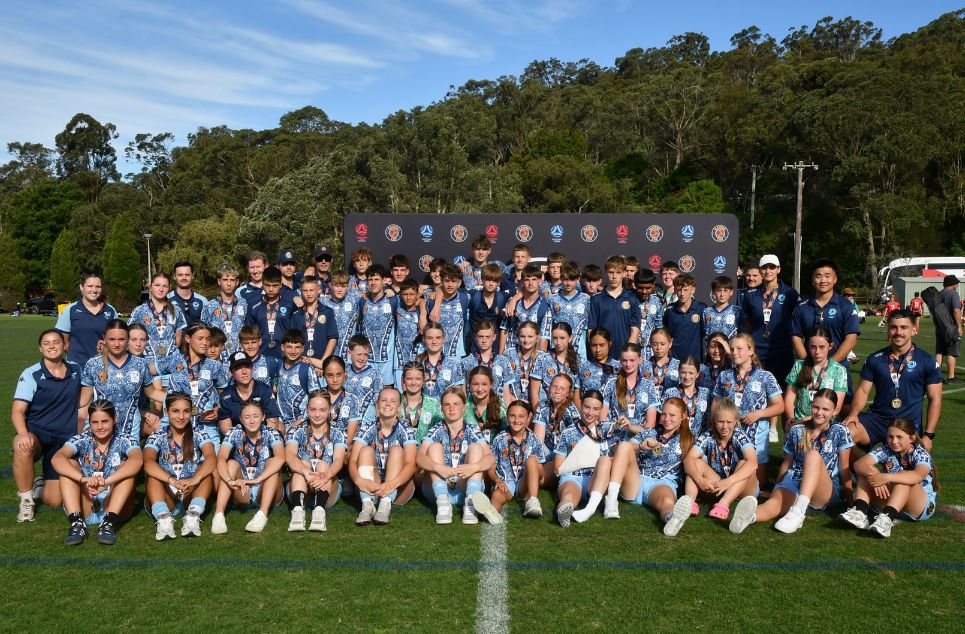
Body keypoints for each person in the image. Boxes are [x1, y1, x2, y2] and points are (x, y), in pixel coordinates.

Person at [729, 389, 853, 535]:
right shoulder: (796, 430)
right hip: (794, 480)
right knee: (774, 503)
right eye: (816, 407)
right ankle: (749, 517)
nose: (819, 412)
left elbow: (844, 467)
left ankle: (799, 511)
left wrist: (852, 503)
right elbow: (787, 464)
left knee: (812, 455)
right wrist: (776, 488)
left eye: (825, 409)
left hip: (823, 489)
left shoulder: (840, 430)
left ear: (835, 411)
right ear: (811, 405)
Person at [844, 309, 942, 452]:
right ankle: (861, 472)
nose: (898, 332)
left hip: (907, 425)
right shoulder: (875, 359)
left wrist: (928, 435)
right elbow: (863, 391)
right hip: (878, 419)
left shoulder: (926, 361)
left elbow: (935, 399)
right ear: (888, 330)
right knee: (843, 434)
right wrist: (853, 414)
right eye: (894, 327)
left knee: (905, 471)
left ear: (914, 330)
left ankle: (867, 471)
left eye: (904, 327)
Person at [593, 398, 694, 535]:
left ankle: (672, 519)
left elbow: (696, 464)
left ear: (683, 417)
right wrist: (641, 447)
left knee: (667, 502)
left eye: (672, 415)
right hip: (636, 480)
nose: (666, 419)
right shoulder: (650, 432)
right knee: (625, 445)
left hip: (662, 483)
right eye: (663, 414)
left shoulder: (688, 439)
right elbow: (623, 451)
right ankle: (611, 500)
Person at [12, 329, 83, 522]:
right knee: (22, 447)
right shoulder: (31, 374)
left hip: (63, 440)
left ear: (65, 345)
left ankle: (38, 484)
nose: (52, 346)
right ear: (40, 348)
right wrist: (22, 433)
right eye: (46, 343)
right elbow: (18, 410)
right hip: (38, 434)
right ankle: (26, 500)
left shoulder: (76, 370)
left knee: (54, 500)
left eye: (56, 342)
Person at [52, 399, 142, 545]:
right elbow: (57, 459)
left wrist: (107, 482)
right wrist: (84, 479)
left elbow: (137, 461)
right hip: (86, 500)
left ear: (114, 420)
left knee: (128, 467)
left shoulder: (126, 440)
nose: (100, 427)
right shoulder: (80, 439)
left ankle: (108, 523)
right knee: (69, 464)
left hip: (115, 502)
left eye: (105, 421)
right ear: (90, 422)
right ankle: (77, 523)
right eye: (95, 422)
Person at [838, 417, 938, 538]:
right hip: (893, 501)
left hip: (919, 506)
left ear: (911, 438)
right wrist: (876, 476)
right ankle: (859, 512)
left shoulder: (920, 453)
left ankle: (887, 519)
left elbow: (917, 475)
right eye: (890, 437)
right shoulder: (886, 450)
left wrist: (885, 477)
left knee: (902, 477)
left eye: (899, 437)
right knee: (867, 472)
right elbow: (858, 464)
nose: (894, 441)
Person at [418, 387, 500, 526]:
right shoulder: (436, 429)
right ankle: (443, 503)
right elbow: (419, 457)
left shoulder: (472, 429)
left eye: (456, 404)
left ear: (464, 407)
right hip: (438, 488)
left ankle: (470, 503)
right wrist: (439, 468)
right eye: (446, 405)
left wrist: (474, 467)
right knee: (434, 447)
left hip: (464, 485)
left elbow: (490, 458)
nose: (451, 408)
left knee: (476, 447)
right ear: (441, 408)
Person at [712, 333, 784, 489]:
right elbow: (715, 405)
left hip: (756, 433)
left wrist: (758, 414)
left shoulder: (765, 376)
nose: (734, 352)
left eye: (740, 349)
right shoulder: (725, 375)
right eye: (732, 349)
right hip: (728, 433)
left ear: (751, 351)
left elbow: (780, 406)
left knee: (759, 483)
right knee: (729, 473)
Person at [143, 391, 217, 540]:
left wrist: (195, 479)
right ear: (166, 412)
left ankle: (193, 516)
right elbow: (148, 462)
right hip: (167, 491)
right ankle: (163, 520)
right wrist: (171, 480)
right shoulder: (157, 435)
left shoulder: (199, 432)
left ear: (191, 412)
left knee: (206, 471)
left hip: (191, 489)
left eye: (186, 411)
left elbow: (211, 458)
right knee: (153, 476)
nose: (181, 417)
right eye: (175, 411)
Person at [743, 256, 800, 443]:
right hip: (758, 353)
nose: (768, 271)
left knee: (784, 398)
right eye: (764, 268)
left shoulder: (790, 294)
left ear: (778, 269)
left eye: (771, 267)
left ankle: (790, 443)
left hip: (782, 352)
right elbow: (749, 324)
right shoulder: (751, 295)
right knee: (756, 394)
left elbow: (796, 322)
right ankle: (754, 442)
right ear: (760, 270)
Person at [80, 320, 166, 438]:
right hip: (100, 428)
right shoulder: (93, 364)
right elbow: (83, 399)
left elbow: (151, 392)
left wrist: (182, 397)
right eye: (112, 339)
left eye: (121, 339)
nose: (116, 344)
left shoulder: (140, 364)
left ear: (127, 339)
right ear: (104, 339)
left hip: (130, 430)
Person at [680, 398, 758, 527]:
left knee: (745, 463)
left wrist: (728, 481)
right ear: (714, 421)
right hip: (717, 484)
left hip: (742, 487)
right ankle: (689, 502)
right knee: (696, 463)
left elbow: (753, 463)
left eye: (729, 422)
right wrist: (700, 480)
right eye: (720, 421)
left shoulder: (740, 436)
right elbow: (688, 459)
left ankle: (723, 504)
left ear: (735, 422)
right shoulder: (707, 436)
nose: (724, 426)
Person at [211, 399, 285, 534]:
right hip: (243, 489)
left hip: (265, 487)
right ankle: (219, 515)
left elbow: (281, 458)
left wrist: (258, 479)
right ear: (240, 418)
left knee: (272, 463)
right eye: (247, 417)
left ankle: (263, 514)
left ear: (263, 417)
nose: (251, 421)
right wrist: (229, 480)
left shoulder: (271, 432)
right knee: (231, 463)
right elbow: (221, 458)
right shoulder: (234, 432)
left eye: (256, 416)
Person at [350, 387, 418, 526]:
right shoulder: (367, 427)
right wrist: (358, 480)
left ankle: (384, 506)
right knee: (365, 450)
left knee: (397, 450)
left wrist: (391, 484)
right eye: (384, 400)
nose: (388, 404)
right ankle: (367, 506)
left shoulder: (406, 429)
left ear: (399, 407)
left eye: (393, 401)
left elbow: (411, 464)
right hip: (371, 485)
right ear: (377, 405)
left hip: (397, 486)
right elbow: (352, 460)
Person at [553, 390, 619, 527]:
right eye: (587, 407)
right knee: (568, 496)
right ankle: (563, 512)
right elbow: (557, 468)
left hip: (597, 480)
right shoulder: (568, 432)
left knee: (605, 460)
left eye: (596, 409)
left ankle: (589, 509)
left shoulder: (608, 429)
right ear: (581, 405)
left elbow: (620, 454)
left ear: (601, 410)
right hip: (572, 478)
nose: (590, 412)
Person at [155, 323, 230, 445]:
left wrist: (218, 409)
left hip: (206, 428)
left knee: (212, 462)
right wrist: (157, 396)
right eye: (200, 339)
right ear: (188, 338)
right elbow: (146, 371)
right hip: (174, 426)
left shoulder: (215, 366)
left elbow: (225, 396)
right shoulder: (174, 360)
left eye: (208, 339)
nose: (205, 343)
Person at [285, 391, 348, 532]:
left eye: (322, 410)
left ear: (330, 408)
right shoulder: (297, 431)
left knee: (323, 464)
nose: (317, 414)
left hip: (327, 486)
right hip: (301, 485)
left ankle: (320, 511)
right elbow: (290, 456)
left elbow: (338, 460)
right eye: (313, 409)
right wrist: (306, 472)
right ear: (307, 408)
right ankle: (297, 511)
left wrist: (326, 475)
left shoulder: (339, 432)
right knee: (304, 464)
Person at [790, 259, 860, 371]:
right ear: (812, 280)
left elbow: (851, 340)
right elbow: (795, 337)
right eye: (818, 276)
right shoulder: (801, 306)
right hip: (809, 370)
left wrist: (829, 366)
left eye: (827, 276)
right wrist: (808, 364)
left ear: (835, 279)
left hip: (838, 369)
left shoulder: (845, 306)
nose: (823, 280)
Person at [486, 400, 546, 517]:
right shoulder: (499, 439)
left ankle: (533, 501)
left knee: (532, 459)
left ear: (528, 418)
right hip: (505, 483)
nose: (517, 420)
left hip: (525, 483)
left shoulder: (535, 440)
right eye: (512, 416)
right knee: (497, 495)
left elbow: (541, 473)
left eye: (521, 416)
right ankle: (491, 512)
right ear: (507, 417)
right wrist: (498, 481)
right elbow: (491, 469)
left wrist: (533, 469)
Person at [783, 329, 848, 426]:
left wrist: (806, 420)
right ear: (808, 346)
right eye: (813, 347)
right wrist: (791, 419)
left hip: (826, 425)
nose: (817, 352)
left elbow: (836, 409)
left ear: (830, 346)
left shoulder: (839, 370)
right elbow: (790, 397)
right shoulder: (799, 365)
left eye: (822, 347)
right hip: (798, 423)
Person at [55, 271, 118, 367]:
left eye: (98, 286)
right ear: (82, 287)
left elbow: (117, 339)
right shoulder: (71, 310)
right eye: (90, 286)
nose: (94, 290)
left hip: (103, 367)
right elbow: (63, 342)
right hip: (76, 368)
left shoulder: (110, 310)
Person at [532, 373, 581, 488]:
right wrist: (538, 461)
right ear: (549, 388)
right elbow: (538, 440)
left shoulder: (572, 412)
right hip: (548, 449)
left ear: (568, 393)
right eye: (554, 386)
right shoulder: (543, 406)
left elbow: (575, 444)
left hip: (564, 453)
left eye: (562, 388)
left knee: (541, 481)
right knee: (532, 457)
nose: (557, 391)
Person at [127, 272, 187, 365]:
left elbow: (178, 337)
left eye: (165, 286)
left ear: (169, 288)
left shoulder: (176, 310)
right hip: (146, 364)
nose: (161, 289)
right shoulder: (139, 310)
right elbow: (128, 335)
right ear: (150, 287)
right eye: (157, 285)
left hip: (171, 363)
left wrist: (169, 357)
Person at [588, 256, 640, 360]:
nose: (614, 276)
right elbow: (591, 329)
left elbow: (635, 329)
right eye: (611, 272)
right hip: (602, 356)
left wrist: (628, 352)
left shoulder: (632, 298)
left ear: (624, 273)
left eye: (618, 272)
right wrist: (597, 350)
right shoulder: (596, 299)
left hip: (624, 355)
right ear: (606, 272)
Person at [218, 351, 283, 434]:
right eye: (238, 368)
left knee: (280, 428)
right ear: (231, 373)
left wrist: (260, 442)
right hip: (238, 437)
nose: (244, 372)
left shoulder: (265, 390)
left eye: (247, 367)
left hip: (263, 434)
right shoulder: (226, 396)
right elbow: (226, 428)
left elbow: (272, 422)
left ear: (252, 368)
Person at [602, 343, 659, 430]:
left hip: (639, 438)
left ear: (640, 360)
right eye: (624, 360)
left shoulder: (649, 386)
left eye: (632, 360)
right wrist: (618, 425)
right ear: (620, 360)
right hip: (615, 435)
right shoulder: (612, 383)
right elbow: (603, 419)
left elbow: (650, 424)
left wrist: (631, 428)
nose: (628, 364)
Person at [357, 264, 397, 386]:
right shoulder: (362, 301)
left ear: (384, 280)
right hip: (367, 359)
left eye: (377, 279)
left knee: (386, 395)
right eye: (370, 279)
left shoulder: (393, 300)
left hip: (387, 360)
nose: (373, 283)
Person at [276, 329, 322, 431]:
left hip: (301, 424)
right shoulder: (278, 365)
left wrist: (300, 420)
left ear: (303, 349)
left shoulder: (306, 368)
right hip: (281, 422)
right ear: (282, 347)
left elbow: (316, 397)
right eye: (289, 347)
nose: (293, 351)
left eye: (297, 347)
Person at [244, 265, 293, 360]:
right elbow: (248, 333)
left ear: (281, 285)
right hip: (261, 356)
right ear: (262, 284)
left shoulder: (289, 304)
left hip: (285, 357)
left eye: (274, 286)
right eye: (267, 285)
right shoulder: (253, 305)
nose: (271, 289)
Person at [201, 263, 249, 357]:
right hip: (217, 356)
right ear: (219, 281)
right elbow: (203, 333)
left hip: (240, 356)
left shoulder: (244, 304)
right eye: (225, 280)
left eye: (232, 280)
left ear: (237, 282)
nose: (229, 283)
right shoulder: (209, 306)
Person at [501, 264, 551, 354]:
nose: (530, 283)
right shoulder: (512, 302)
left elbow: (544, 337)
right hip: (510, 353)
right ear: (522, 282)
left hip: (532, 354)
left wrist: (538, 361)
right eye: (527, 280)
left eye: (534, 279)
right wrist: (500, 356)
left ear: (540, 281)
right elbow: (504, 329)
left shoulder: (544, 306)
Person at [547, 262, 592, 361]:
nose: (568, 283)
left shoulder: (585, 299)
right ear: (561, 279)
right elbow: (547, 324)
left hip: (579, 345)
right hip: (557, 345)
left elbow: (588, 325)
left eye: (572, 279)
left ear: (578, 279)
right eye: (565, 279)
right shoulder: (552, 299)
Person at [531, 322, 581, 407]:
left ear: (570, 338)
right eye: (555, 338)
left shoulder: (577, 359)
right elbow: (534, 393)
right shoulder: (542, 359)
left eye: (562, 338)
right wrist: (537, 414)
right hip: (545, 410)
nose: (558, 342)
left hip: (567, 412)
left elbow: (576, 396)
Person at [290, 275, 338, 363]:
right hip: (302, 362)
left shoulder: (328, 312)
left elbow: (333, 338)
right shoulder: (296, 315)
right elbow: (294, 342)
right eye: (305, 290)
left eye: (311, 290)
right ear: (301, 292)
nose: (308, 294)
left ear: (318, 290)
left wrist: (323, 362)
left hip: (322, 363)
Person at [663, 355, 712, 434]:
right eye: (683, 372)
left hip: (698, 442)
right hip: (676, 440)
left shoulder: (705, 393)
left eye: (691, 373)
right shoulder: (670, 393)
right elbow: (663, 420)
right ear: (679, 372)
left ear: (697, 374)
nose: (687, 376)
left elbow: (709, 420)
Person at [414, 325, 465, 400]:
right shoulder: (416, 363)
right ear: (424, 339)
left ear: (443, 339)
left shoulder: (454, 364)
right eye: (429, 338)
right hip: (423, 410)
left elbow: (460, 395)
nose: (434, 342)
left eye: (438, 338)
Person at [664, 274, 706, 362]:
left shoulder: (701, 308)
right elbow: (666, 335)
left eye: (685, 290)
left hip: (695, 360)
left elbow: (705, 334)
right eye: (679, 290)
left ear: (693, 290)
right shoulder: (670, 310)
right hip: (674, 360)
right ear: (675, 290)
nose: (682, 294)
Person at [322, 270, 362, 361]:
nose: (340, 290)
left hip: (349, 355)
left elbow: (372, 297)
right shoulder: (323, 302)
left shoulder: (355, 300)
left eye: (343, 286)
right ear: (331, 285)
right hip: (327, 354)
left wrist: (387, 290)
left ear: (347, 287)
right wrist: (296, 297)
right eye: (337, 286)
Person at [399, 361, 443, 442]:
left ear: (424, 380)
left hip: (425, 451)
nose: (413, 383)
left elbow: (441, 428)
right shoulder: (396, 401)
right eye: (409, 379)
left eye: (418, 379)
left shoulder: (433, 403)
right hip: (401, 450)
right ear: (403, 380)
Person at [394, 278, 427, 384]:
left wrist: (422, 315)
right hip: (400, 361)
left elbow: (424, 300)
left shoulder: (424, 310)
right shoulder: (397, 308)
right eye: (405, 294)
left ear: (417, 294)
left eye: (412, 294)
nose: (408, 298)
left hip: (417, 361)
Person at [464, 366, 507, 443]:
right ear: (469, 384)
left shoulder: (501, 407)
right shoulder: (463, 407)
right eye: (475, 384)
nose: (480, 389)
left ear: (491, 384)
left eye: (484, 384)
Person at [935, 274, 962, 383]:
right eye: (956, 282)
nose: (957, 284)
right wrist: (959, 326)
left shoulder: (939, 294)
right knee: (952, 352)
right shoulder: (953, 294)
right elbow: (956, 310)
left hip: (939, 326)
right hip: (951, 327)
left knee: (940, 352)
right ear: (953, 283)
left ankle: (936, 375)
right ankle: (951, 377)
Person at [578, 327, 620, 394]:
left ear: (610, 344)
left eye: (602, 345)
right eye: (594, 345)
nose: (597, 350)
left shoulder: (619, 367)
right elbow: (576, 396)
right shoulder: (582, 367)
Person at [641, 328, 680, 400]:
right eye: (655, 344)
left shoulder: (678, 365)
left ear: (670, 343)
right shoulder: (643, 365)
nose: (658, 348)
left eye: (662, 344)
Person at [702, 275, 742, 342]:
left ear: (731, 292)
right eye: (719, 290)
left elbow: (742, 334)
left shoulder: (737, 311)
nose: (722, 294)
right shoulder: (706, 311)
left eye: (725, 291)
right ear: (713, 292)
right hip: (712, 350)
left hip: (730, 351)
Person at [633, 268, 663, 356]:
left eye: (648, 288)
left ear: (653, 285)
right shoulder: (628, 299)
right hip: (631, 348)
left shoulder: (656, 301)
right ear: (635, 285)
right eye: (640, 288)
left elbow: (659, 326)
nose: (644, 291)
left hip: (650, 350)